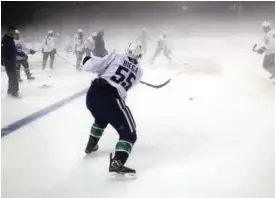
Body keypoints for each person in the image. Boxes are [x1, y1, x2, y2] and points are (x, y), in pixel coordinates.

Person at [82, 44, 143, 176]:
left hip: (92, 94)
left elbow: (95, 65)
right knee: (130, 134)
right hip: (111, 97)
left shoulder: (118, 55)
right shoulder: (139, 72)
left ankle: (91, 145)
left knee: (101, 117)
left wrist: (87, 60)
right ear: (139, 56)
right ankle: (118, 161)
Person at [1, 26, 21, 98]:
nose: (14, 33)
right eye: (13, 32)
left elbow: (14, 51)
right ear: (9, 31)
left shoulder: (10, 39)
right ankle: (14, 92)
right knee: (14, 77)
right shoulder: (5, 39)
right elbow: (2, 51)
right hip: (8, 62)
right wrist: (3, 60)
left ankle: (10, 90)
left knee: (11, 77)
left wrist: (23, 54)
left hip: (12, 61)